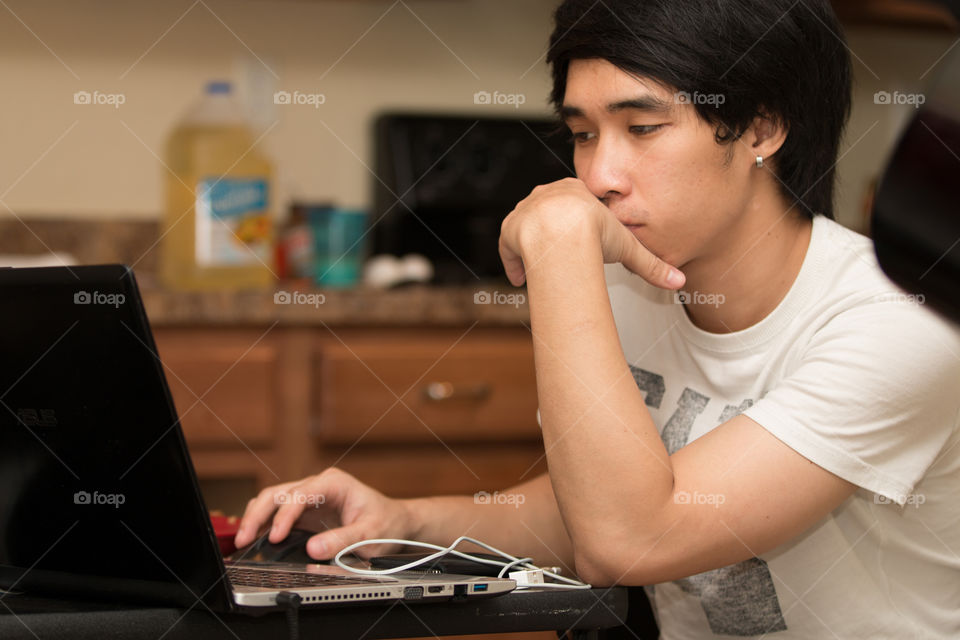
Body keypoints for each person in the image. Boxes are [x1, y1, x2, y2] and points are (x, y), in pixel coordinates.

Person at [237, 0, 960, 637]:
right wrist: (404, 523)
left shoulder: (902, 318)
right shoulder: (623, 278)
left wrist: (557, 244)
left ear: (761, 129)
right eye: (582, 133)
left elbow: (630, 539)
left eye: (642, 126)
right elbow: (591, 505)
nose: (598, 177)